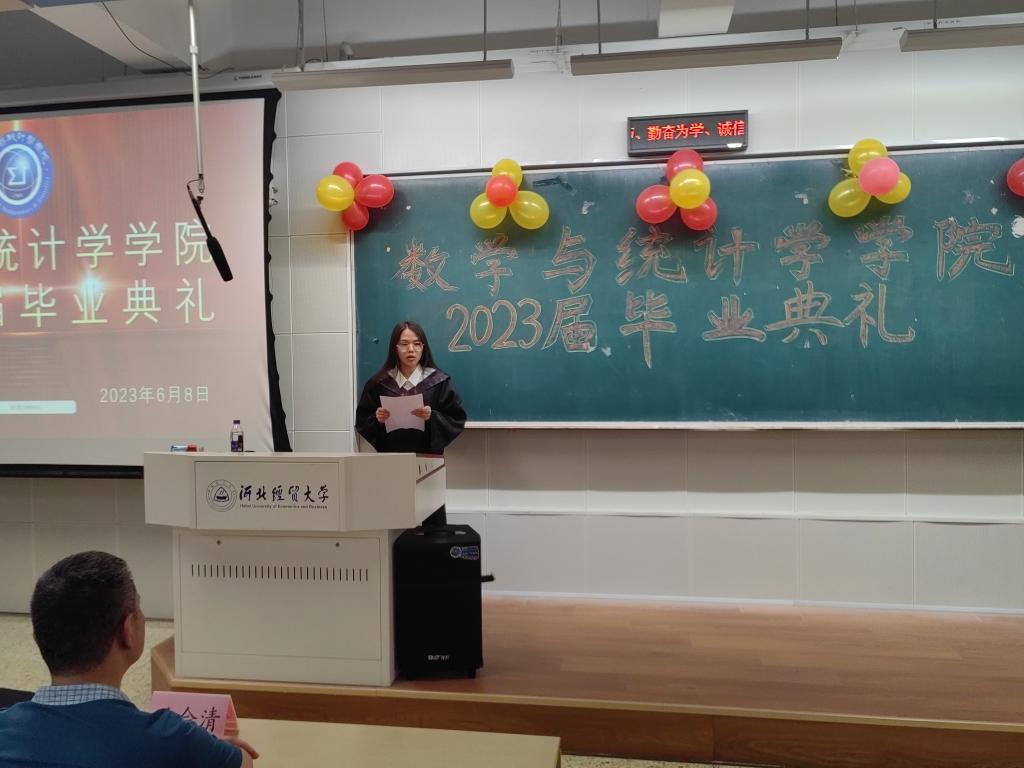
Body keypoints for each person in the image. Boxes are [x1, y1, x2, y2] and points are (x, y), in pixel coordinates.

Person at [0, 551, 258, 768]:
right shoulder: (172, 739)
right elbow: (244, 762)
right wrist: (207, 749)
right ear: (128, 630)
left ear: (39, 636)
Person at [355, 320, 466, 455]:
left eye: (417, 344)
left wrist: (432, 417)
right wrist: (377, 418)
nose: (411, 349)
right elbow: (363, 421)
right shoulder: (379, 384)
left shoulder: (439, 382)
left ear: (423, 347)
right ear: (395, 348)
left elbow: (456, 419)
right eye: (404, 344)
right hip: (390, 458)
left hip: (428, 460)